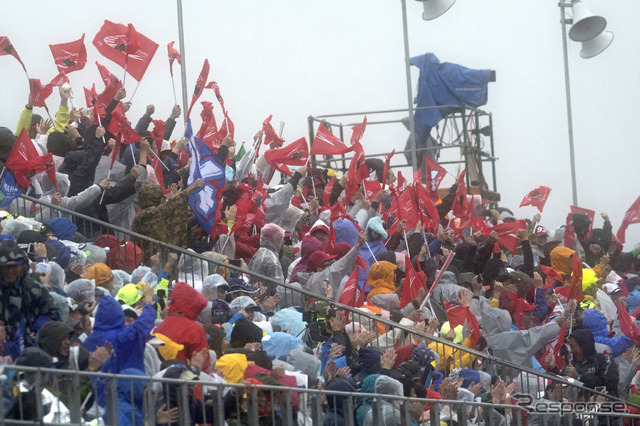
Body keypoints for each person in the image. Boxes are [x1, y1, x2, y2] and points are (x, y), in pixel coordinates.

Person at [0, 240, 60, 360]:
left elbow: (52, 312)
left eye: (15, 266)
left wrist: (40, 327)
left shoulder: (32, 287)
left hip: (31, 352)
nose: (11, 271)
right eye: (6, 267)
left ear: (23, 266)